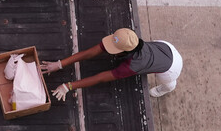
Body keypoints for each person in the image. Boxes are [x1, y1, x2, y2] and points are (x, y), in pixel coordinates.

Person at [41, 28, 183, 100]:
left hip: (171, 67)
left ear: (124, 52)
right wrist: (60, 64)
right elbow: (91, 52)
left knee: (169, 82)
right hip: (166, 47)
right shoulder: (123, 38)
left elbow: (101, 78)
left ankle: (168, 87)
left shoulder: (132, 66)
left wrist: (69, 86)